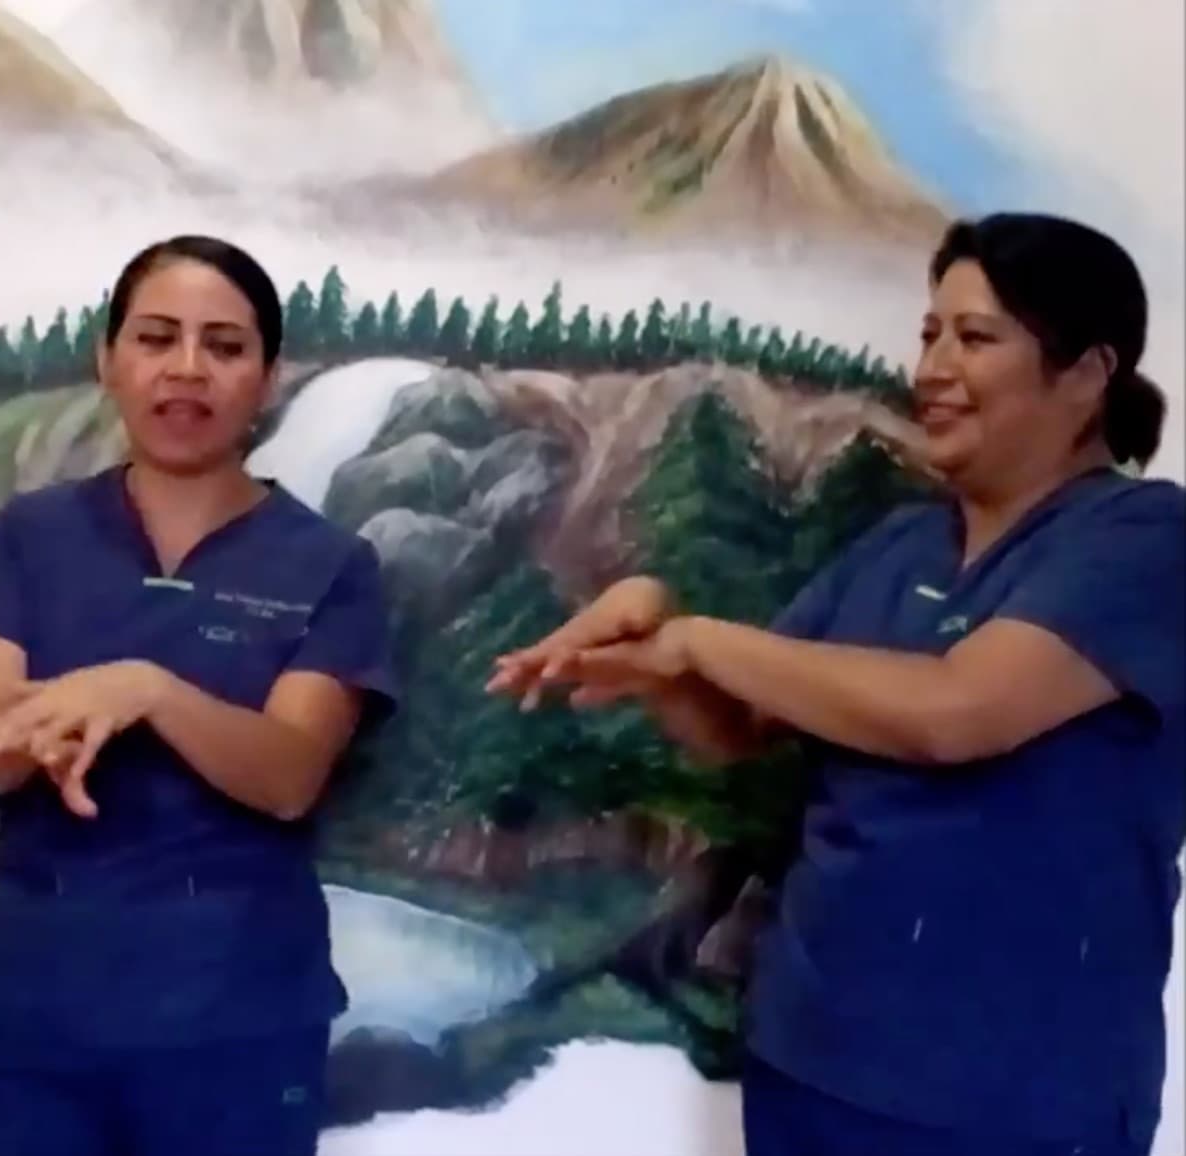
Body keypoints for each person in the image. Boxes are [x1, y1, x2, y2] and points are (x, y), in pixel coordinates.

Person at [491, 211, 1185, 1156]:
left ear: (1088, 374)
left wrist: (696, 638)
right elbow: (739, 727)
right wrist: (651, 647)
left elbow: (957, 712)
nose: (933, 368)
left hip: (1015, 1094)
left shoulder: (1143, 539)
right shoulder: (899, 546)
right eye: (930, 333)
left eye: (974, 338)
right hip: (814, 1061)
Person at [0, 235, 397, 1156]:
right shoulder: (34, 533)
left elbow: (290, 772)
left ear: (269, 376)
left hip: (239, 1023)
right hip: (31, 1010)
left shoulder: (332, 564)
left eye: (224, 346)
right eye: (156, 337)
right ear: (108, 360)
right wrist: (32, 739)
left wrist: (147, 691)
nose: (188, 369)